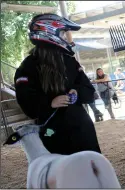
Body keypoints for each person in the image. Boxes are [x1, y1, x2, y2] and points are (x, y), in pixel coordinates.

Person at [14, 13, 101, 154]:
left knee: (92, 169)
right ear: (48, 31)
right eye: (63, 33)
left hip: (81, 128)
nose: (66, 37)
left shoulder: (70, 61)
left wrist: (77, 92)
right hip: (52, 131)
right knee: (63, 173)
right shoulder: (28, 66)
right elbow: (26, 103)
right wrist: (50, 102)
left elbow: (89, 91)